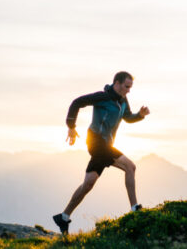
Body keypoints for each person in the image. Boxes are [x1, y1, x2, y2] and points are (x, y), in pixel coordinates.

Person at [53, 71, 150, 235]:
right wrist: (71, 126)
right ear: (117, 83)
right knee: (130, 167)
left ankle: (63, 216)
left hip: (106, 144)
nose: (129, 90)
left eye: (130, 87)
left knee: (88, 183)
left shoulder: (123, 100)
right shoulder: (102, 97)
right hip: (97, 142)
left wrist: (140, 116)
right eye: (126, 86)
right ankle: (135, 209)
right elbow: (76, 102)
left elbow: (127, 117)